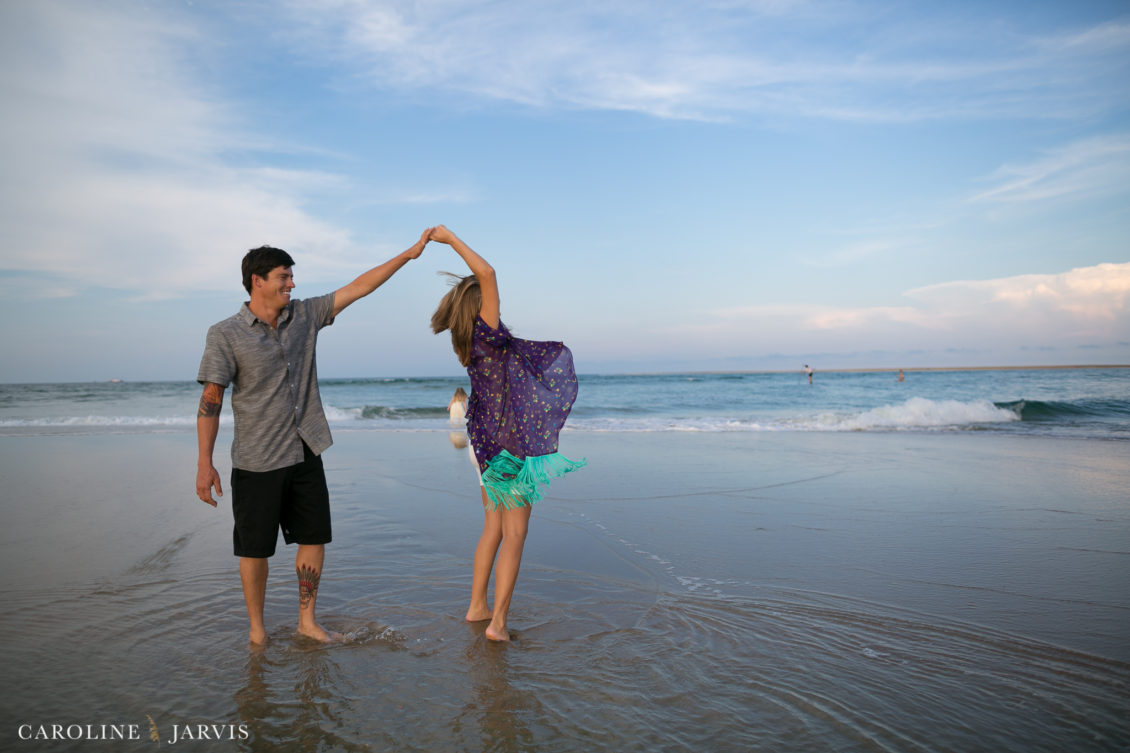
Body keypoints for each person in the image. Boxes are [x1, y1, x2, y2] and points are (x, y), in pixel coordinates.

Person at [195, 230, 432, 645]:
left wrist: (409, 255)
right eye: (284, 277)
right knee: (255, 549)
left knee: (314, 537)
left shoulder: (304, 316)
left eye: (291, 277)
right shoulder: (225, 334)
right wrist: (204, 463)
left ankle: (308, 622)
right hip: (256, 459)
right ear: (258, 281)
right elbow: (211, 399)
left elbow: (359, 287)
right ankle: (257, 630)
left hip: (306, 448)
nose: (291, 284)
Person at [429, 225, 585, 642]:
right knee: (515, 533)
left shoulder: (468, 342)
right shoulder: (488, 334)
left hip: (482, 445)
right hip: (507, 448)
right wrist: (452, 240)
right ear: (481, 308)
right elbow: (489, 272)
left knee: (493, 528)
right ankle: (497, 623)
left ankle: (477, 606)